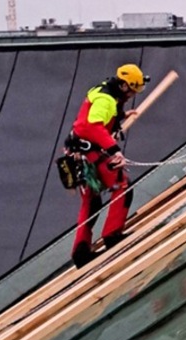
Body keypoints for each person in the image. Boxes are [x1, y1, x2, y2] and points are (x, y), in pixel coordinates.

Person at [68, 64, 149, 268]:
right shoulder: (105, 99)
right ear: (122, 86)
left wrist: (121, 116)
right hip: (91, 153)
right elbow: (93, 126)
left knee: (91, 201)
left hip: (81, 152)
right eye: (131, 90)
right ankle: (112, 235)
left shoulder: (103, 92)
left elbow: (97, 118)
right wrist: (115, 151)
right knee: (121, 185)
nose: (132, 95)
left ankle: (81, 251)